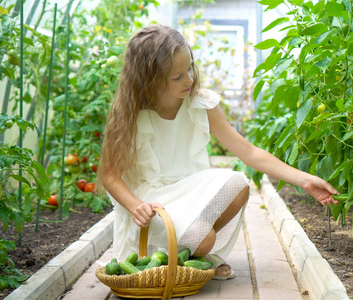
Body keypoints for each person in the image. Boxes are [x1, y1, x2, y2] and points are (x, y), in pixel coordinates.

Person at [96, 24, 339, 280]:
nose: (189, 79)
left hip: (190, 187)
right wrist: (136, 206)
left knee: (239, 184)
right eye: (177, 76)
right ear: (149, 79)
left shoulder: (200, 103)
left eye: (189, 68)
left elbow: (249, 152)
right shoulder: (128, 114)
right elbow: (110, 175)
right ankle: (187, 251)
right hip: (152, 201)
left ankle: (186, 253)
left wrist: (304, 179)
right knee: (204, 239)